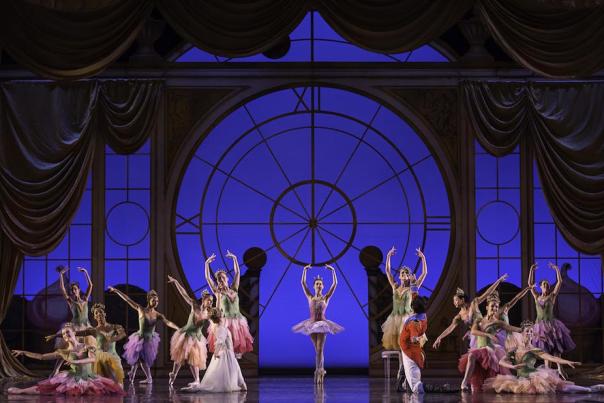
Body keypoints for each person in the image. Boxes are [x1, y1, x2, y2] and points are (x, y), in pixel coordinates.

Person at [484, 320, 604, 394]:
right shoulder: (515, 349)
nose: (529, 334)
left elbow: (552, 358)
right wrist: (513, 365)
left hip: (534, 377)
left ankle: (590, 389)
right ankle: (589, 389)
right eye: (527, 331)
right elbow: (501, 361)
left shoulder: (534, 350)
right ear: (522, 333)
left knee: (561, 388)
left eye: (531, 332)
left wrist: (567, 361)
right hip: (521, 378)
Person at [8, 324, 124, 396]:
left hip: (89, 377)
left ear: (74, 333)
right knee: (48, 388)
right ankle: (21, 391)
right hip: (73, 378)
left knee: (112, 389)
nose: (66, 335)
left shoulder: (87, 346)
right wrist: (24, 352)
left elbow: (92, 359)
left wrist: (74, 362)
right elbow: (42, 356)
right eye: (63, 334)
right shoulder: (63, 352)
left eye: (68, 332)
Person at [109, 287, 178, 384]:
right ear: (149, 299)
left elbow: (167, 322)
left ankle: (136, 374)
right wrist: (116, 291)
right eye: (154, 300)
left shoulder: (158, 314)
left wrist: (177, 328)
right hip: (140, 338)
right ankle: (143, 376)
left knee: (141, 358)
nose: (156, 302)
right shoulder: (141, 309)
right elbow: (128, 299)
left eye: (157, 301)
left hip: (150, 339)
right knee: (139, 357)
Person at [458, 292, 521, 392]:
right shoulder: (479, 320)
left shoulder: (497, 322)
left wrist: (524, 330)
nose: (495, 308)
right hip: (480, 349)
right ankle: (464, 382)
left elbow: (510, 327)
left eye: (496, 307)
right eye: (493, 306)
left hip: (490, 351)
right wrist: (487, 334)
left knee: (490, 382)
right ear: (487, 307)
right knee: (471, 356)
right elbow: (474, 331)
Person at [292, 264, 343, 384]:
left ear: (323, 286)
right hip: (311, 324)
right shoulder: (310, 297)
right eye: (317, 284)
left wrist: (333, 270)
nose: (319, 285)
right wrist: (304, 270)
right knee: (317, 350)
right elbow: (303, 283)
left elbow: (335, 284)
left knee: (320, 349)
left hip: (322, 324)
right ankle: (320, 370)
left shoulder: (326, 298)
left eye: (320, 284)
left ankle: (318, 371)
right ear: (314, 286)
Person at [433, 274, 509, 351]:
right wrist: (439, 337)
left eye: (456, 300)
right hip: (476, 335)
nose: (454, 302)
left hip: (485, 329)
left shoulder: (474, 303)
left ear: (462, 300)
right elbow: (450, 328)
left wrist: (498, 281)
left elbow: (487, 293)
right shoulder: (459, 316)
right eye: (454, 301)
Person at [182, 308, 247, 393]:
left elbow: (221, 341)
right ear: (220, 318)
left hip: (227, 353)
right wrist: (216, 353)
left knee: (233, 369)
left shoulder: (221, 327)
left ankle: (241, 384)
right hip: (226, 354)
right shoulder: (221, 328)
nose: (223, 317)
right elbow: (220, 341)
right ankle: (240, 384)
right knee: (232, 370)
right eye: (222, 316)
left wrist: (217, 352)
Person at [528, 262, 576, 377]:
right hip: (540, 326)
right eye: (543, 285)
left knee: (555, 348)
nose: (545, 286)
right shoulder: (536, 296)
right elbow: (529, 284)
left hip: (551, 325)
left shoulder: (552, 297)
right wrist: (531, 270)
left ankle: (560, 368)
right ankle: (547, 371)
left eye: (547, 285)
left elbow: (559, 282)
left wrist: (556, 269)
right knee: (545, 350)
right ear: (540, 287)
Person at [205, 251, 254, 358]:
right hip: (226, 321)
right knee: (226, 347)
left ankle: (233, 367)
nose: (221, 280)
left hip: (238, 321)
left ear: (227, 278)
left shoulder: (234, 288)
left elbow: (237, 273)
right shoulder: (218, 293)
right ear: (218, 282)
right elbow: (208, 279)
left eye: (223, 277)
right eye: (219, 279)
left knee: (236, 351)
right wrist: (207, 264)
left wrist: (234, 259)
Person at [168, 274, 214, 387]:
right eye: (209, 300)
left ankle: (197, 379)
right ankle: (174, 374)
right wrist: (176, 282)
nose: (210, 303)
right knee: (179, 355)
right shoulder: (194, 305)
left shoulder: (209, 313)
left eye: (212, 301)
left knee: (194, 358)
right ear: (203, 300)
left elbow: (214, 323)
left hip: (197, 338)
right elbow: (184, 294)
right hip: (187, 334)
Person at [382, 247, 427, 351]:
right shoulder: (395, 286)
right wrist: (388, 256)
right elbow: (388, 271)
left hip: (407, 318)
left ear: (409, 276)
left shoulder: (412, 288)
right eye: (402, 273)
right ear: (399, 276)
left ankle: (406, 363)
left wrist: (423, 258)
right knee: (397, 344)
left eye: (406, 273)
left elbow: (424, 274)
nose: (403, 274)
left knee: (406, 342)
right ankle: (401, 365)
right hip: (395, 318)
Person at [74, 303, 126, 385]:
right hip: (100, 359)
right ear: (94, 317)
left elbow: (122, 334)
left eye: (100, 312)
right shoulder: (94, 330)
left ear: (104, 314)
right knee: (103, 384)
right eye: (96, 313)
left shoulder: (115, 326)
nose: (99, 314)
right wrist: (59, 334)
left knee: (117, 383)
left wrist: (111, 339)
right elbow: (76, 333)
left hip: (112, 356)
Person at [399, 297, 428, 394]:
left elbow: (413, 339)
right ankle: (410, 384)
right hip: (409, 345)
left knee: (413, 365)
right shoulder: (419, 319)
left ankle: (413, 384)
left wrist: (419, 339)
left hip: (410, 345)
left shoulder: (417, 320)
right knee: (412, 365)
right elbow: (413, 339)